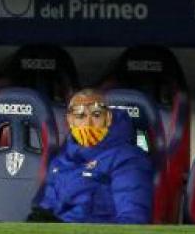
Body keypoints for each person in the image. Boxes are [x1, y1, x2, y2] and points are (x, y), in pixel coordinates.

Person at [27, 89, 152, 225]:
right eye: (80, 116)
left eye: (96, 115)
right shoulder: (61, 159)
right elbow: (47, 206)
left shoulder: (128, 159)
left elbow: (133, 220)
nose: (88, 123)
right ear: (70, 121)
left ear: (108, 118)